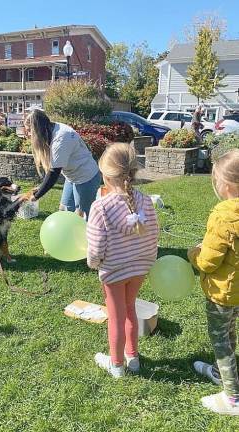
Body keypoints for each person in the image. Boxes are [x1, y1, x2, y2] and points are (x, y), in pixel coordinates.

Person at [87, 143, 159, 378]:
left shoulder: (101, 207)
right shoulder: (146, 201)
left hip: (114, 272)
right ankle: (133, 358)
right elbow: (154, 235)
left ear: (106, 175)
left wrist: (94, 263)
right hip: (140, 268)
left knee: (116, 317)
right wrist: (147, 261)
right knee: (130, 309)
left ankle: (117, 365)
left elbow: (96, 247)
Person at [188, 149, 239, 415]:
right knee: (229, 334)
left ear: (226, 185)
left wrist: (193, 253)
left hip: (221, 292)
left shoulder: (223, 216)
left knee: (220, 342)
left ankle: (232, 398)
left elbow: (208, 262)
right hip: (237, 291)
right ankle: (224, 375)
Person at [21, 109, 100, 220]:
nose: (28, 134)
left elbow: (53, 173)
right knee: (64, 211)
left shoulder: (61, 138)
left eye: (29, 131)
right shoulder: (51, 129)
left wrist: (36, 196)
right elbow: (52, 169)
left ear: (37, 129)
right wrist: (40, 189)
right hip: (72, 177)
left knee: (83, 217)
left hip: (86, 178)